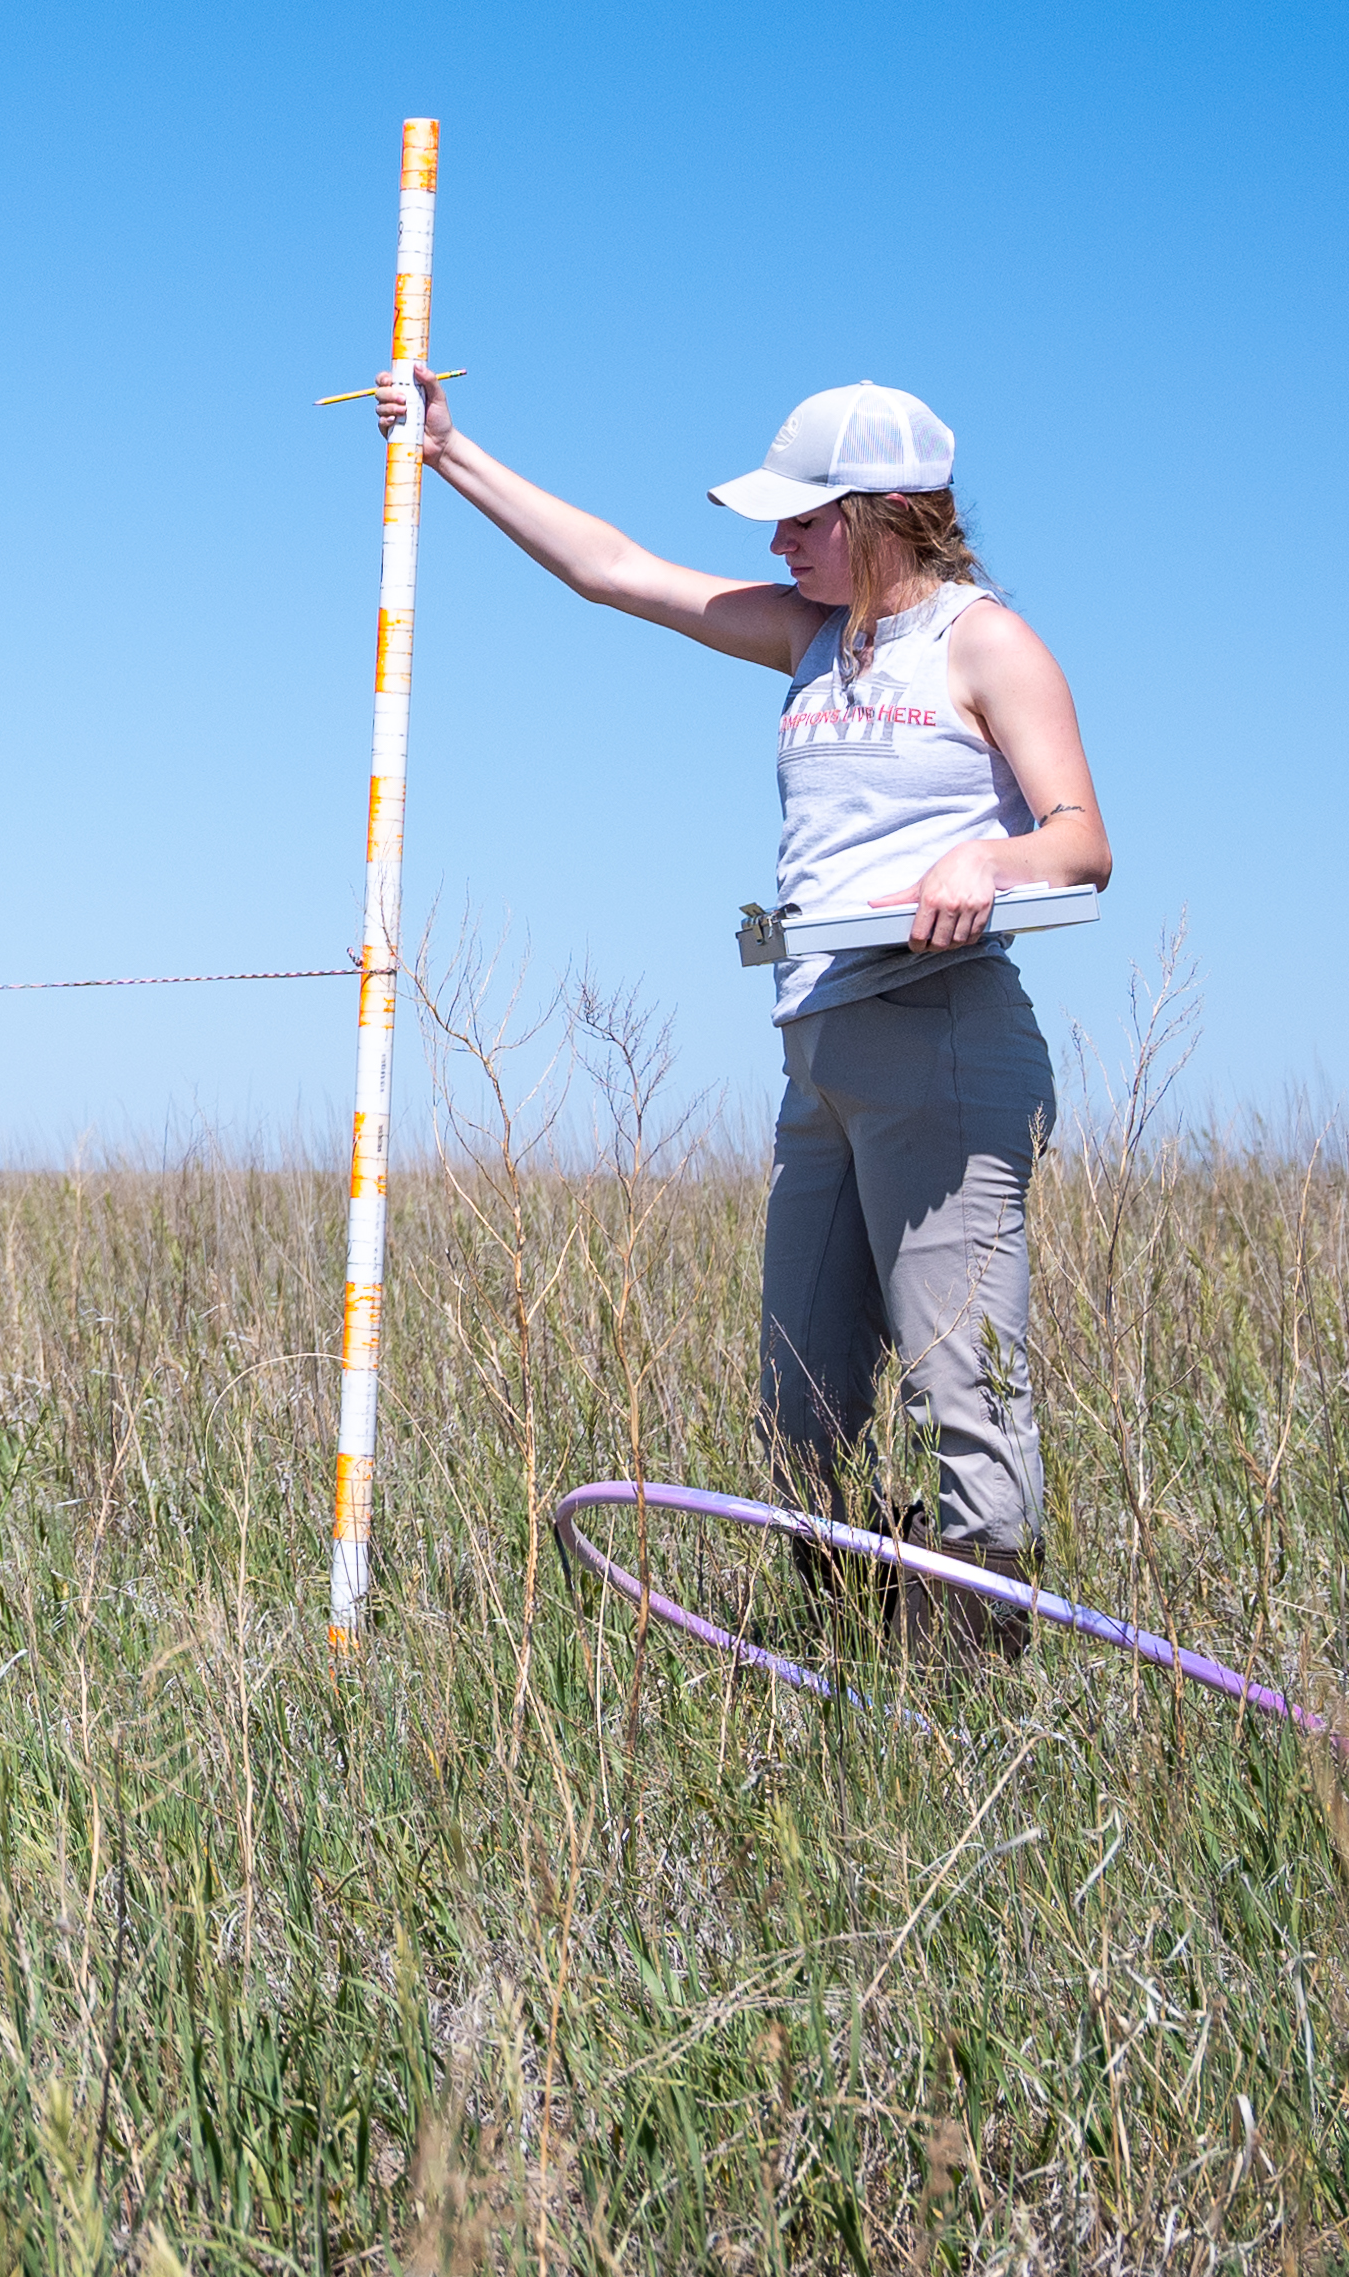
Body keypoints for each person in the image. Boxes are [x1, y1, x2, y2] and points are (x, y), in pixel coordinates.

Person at [366, 374, 1111, 1615]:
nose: (777, 544)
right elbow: (613, 569)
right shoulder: (813, 635)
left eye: (804, 521)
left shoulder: (984, 641)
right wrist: (450, 454)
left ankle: (974, 1671)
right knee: (799, 1405)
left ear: (884, 514)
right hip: (818, 1053)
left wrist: (993, 856)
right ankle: (854, 1634)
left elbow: (1081, 839)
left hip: (942, 1035)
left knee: (961, 1384)